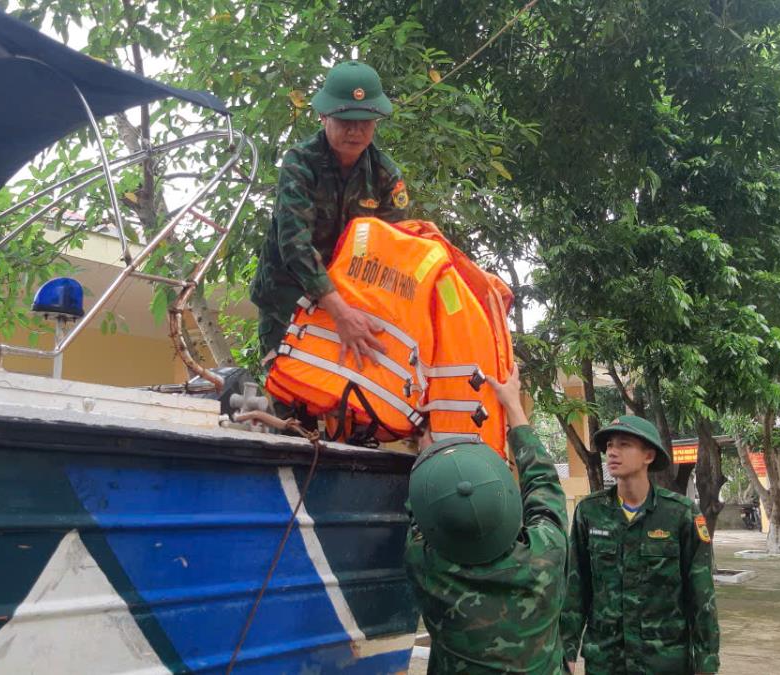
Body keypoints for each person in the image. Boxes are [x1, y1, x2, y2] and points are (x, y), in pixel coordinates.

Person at [404, 365, 569, 673]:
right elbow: (544, 484)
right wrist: (514, 407)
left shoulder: (426, 567)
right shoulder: (547, 554)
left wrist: (427, 445)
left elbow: (421, 509)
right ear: (508, 499)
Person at [250, 60, 409, 369]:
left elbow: (394, 253)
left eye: (365, 120)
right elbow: (294, 245)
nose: (355, 129)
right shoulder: (300, 162)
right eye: (345, 119)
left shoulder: (385, 176)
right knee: (292, 400)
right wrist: (338, 310)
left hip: (354, 306)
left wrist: (360, 313)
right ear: (323, 116)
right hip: (288, 301)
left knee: (352, 404)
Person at [561, 416, 720, 674]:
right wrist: (565, 648)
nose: (612, 451)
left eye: (624, 444)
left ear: (648, 455)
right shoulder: (589, 513)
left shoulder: (680, 514)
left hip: (663, 661)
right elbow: (575, 588)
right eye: (610, 445)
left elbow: (702, 596)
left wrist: (707, 661)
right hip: (606, 659)